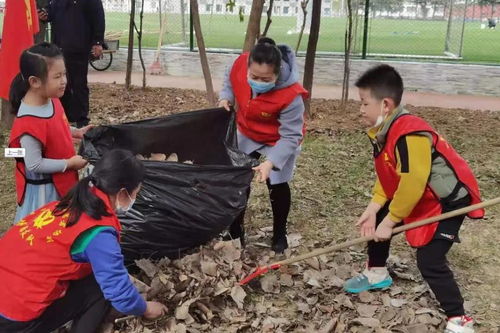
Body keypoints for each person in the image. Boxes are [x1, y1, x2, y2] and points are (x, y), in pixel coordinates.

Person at [343, 65, 484, 333]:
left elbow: (413, 182)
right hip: (420, 195)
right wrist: (375, 208)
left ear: (385, 104)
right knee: (378, 220)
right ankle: (377, 272)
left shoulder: (409, 133)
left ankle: (459, 318)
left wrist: (392, 220)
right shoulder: (386, 130)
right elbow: (390, 177)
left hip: (448, 202)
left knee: (429, 260)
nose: (360, 110)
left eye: (364, 103)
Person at [0, 149, 167, 333]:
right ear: (121, 193)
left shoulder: (67, 203)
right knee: (99, 286)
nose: (135, 197)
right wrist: (146, 308)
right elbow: (118, 292)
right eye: (136, 192)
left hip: (8, 286)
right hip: (14, 316)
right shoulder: (98, 233)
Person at [218, 37, 308, 253]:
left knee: (277, 183)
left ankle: (279, 233)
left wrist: (272, 162)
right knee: (239, 178)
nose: (258, 81)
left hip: (279, 139)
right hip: (248, 131)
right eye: (254, 76)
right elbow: (229, 81)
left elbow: (290, 136)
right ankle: (235, 231)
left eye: (265, 78)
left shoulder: (291, 96)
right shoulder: (240, 64)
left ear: (277, 74)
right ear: (248, 66)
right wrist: (225, 97)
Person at [8, 42, 91, 224]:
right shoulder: (29, 122)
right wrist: (69, 164)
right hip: (44, 192)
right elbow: (34, 164)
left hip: (60, 183)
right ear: (35, 81)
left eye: (64, 74)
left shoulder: (50, 100)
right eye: (57, 76)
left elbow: (55, 126)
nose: (64, 81)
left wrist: (76, 132)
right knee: (44, 229)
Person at [39, 0, 105, 127]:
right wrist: (45, 14)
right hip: (59, 49)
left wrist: (98, 42)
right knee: (61, 83)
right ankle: (63, 116)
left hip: (79, 47)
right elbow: (51, 12)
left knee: (79, 83)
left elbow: (98, 17)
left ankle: (81, 119)